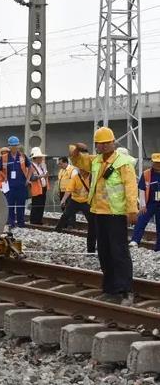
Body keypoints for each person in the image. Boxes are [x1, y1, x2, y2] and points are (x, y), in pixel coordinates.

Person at [70, 126, 138, 306]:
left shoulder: (124, 163)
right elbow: (77, 161)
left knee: (119, 252)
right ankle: (110, 289)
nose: (104, 146)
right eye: (100, 144)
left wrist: (132, 210)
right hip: (98, 211)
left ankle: (126, 290)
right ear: (96, 146)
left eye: (107, 143)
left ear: (113, 143)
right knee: (105, 252)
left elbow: (130, 187)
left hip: (115, 213)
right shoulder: (95, 161)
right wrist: (77, 149)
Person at [55, 148, 96, 253]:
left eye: (82, 168)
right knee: (65, 215)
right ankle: (57, 230)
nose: (81, 170)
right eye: (80, 168)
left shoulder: (92, 177)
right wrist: (63, 200)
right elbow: (69, 190)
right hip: (75, 200)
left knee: (92, 222)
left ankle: (92, 245)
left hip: (86, 202)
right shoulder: (76, 177)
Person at [0, 136, 31, 228]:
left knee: (21, 205)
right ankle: (11, 223)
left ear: (18, 145)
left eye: (16, 145)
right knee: (10, 204)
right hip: (10, 185)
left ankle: (21, 223)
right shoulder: (4, 158)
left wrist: (28, 179)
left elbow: (30, 167)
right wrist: (4, 176)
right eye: (12, 146)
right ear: (9, 146)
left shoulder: (23, 156)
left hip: (21, 184)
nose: (14, 147)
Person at [129, 153, 160, 252]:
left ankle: (158, 248)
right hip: (150, 203)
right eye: (155, 162)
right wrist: (142, 205)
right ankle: (135, 240)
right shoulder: (146, 173)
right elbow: (142, 189)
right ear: (152, 162)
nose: (157, 164)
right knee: (141, 220)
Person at [29, 147, 49, 225]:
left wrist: (45, 175)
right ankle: (34, 221)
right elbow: (32, 178)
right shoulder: (31, 166)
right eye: (40, 157)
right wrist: (41, 176)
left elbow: (44, 175)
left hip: (43, 188)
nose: (41, 158)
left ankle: (39, 220)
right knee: (36, 205)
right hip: (36, 189)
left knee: (41, 205)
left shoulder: (41, 166)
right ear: (35, 158)